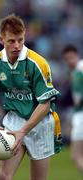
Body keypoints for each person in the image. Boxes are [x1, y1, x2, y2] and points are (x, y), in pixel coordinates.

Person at [0, 14, 62, 180]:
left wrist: (23, 131)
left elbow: (44, 105)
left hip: (39, 123)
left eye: (21, 40)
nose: (17, 45)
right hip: (14, 121)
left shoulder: (38, 63)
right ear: (1, 39)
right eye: (11, 41)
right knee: (3, 176)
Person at [62, 45, 83, 175]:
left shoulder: (80, 68)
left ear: (77, 55)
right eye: (67, 58)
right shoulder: (74, 72)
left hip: (81, 115)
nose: (70, 61)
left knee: (76, 156)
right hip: (78, 114)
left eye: (71, 57)